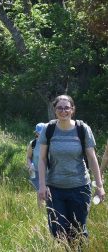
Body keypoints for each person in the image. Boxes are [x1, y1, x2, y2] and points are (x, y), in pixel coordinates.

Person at [38, 95, 105, 245]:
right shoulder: (48, 130)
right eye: (59, 108)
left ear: (72, 109)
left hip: (80, 188)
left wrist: (99, 186)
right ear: (54, 110)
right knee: (58, 231)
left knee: (78, 231)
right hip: (54, 189)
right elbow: (41, 159)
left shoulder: (82, 129)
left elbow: (92, 158)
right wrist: (41, 186)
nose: (63, 111)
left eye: (66, 107)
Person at [26, 122, 45, 206]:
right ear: (36, 133)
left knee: (50, 193)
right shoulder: (33, 144)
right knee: (40, 192)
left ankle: (50, 210)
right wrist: (30, 165)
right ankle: (40, 212)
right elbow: (28, 157)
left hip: (49, 172)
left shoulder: (51, 143)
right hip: (36, 172)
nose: (43, 135)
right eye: (41, 133)